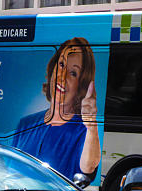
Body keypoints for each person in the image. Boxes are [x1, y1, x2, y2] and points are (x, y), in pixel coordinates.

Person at [12, 37, 100, 180]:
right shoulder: (25, 124)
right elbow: (10, 170)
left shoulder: (82, 130)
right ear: (53, 68)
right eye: (61, 65)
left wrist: (91, 126)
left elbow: (88, 167)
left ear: (81, 85)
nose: (62, 76)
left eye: (73, 73)